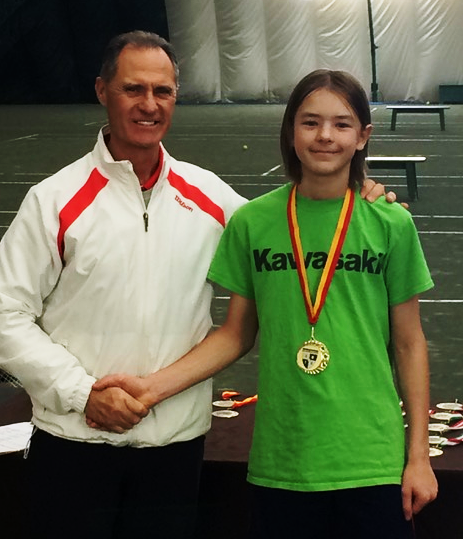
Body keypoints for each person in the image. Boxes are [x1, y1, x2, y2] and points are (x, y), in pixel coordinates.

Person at [0, 29, 394, 538]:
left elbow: (292, 228)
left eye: (162, 91)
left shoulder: (213, 198)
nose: (149, 104)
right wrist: (80, 393)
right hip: (75, 441)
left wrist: (359, 199)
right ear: (102, 91)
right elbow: (6, 313)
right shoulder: (53, 200)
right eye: (133, 89)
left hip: (174, 450)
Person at [93, 69, 438, 538]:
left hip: (373, 462)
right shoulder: (253, 222)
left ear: (362, 137)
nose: (325, 135)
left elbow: (410, 344)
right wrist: (151, 389)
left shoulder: (390, 223)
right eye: (310, 122)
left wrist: (418, 457)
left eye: (341, 124)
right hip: (282, 463)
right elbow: (235, 333)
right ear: (291, 131)